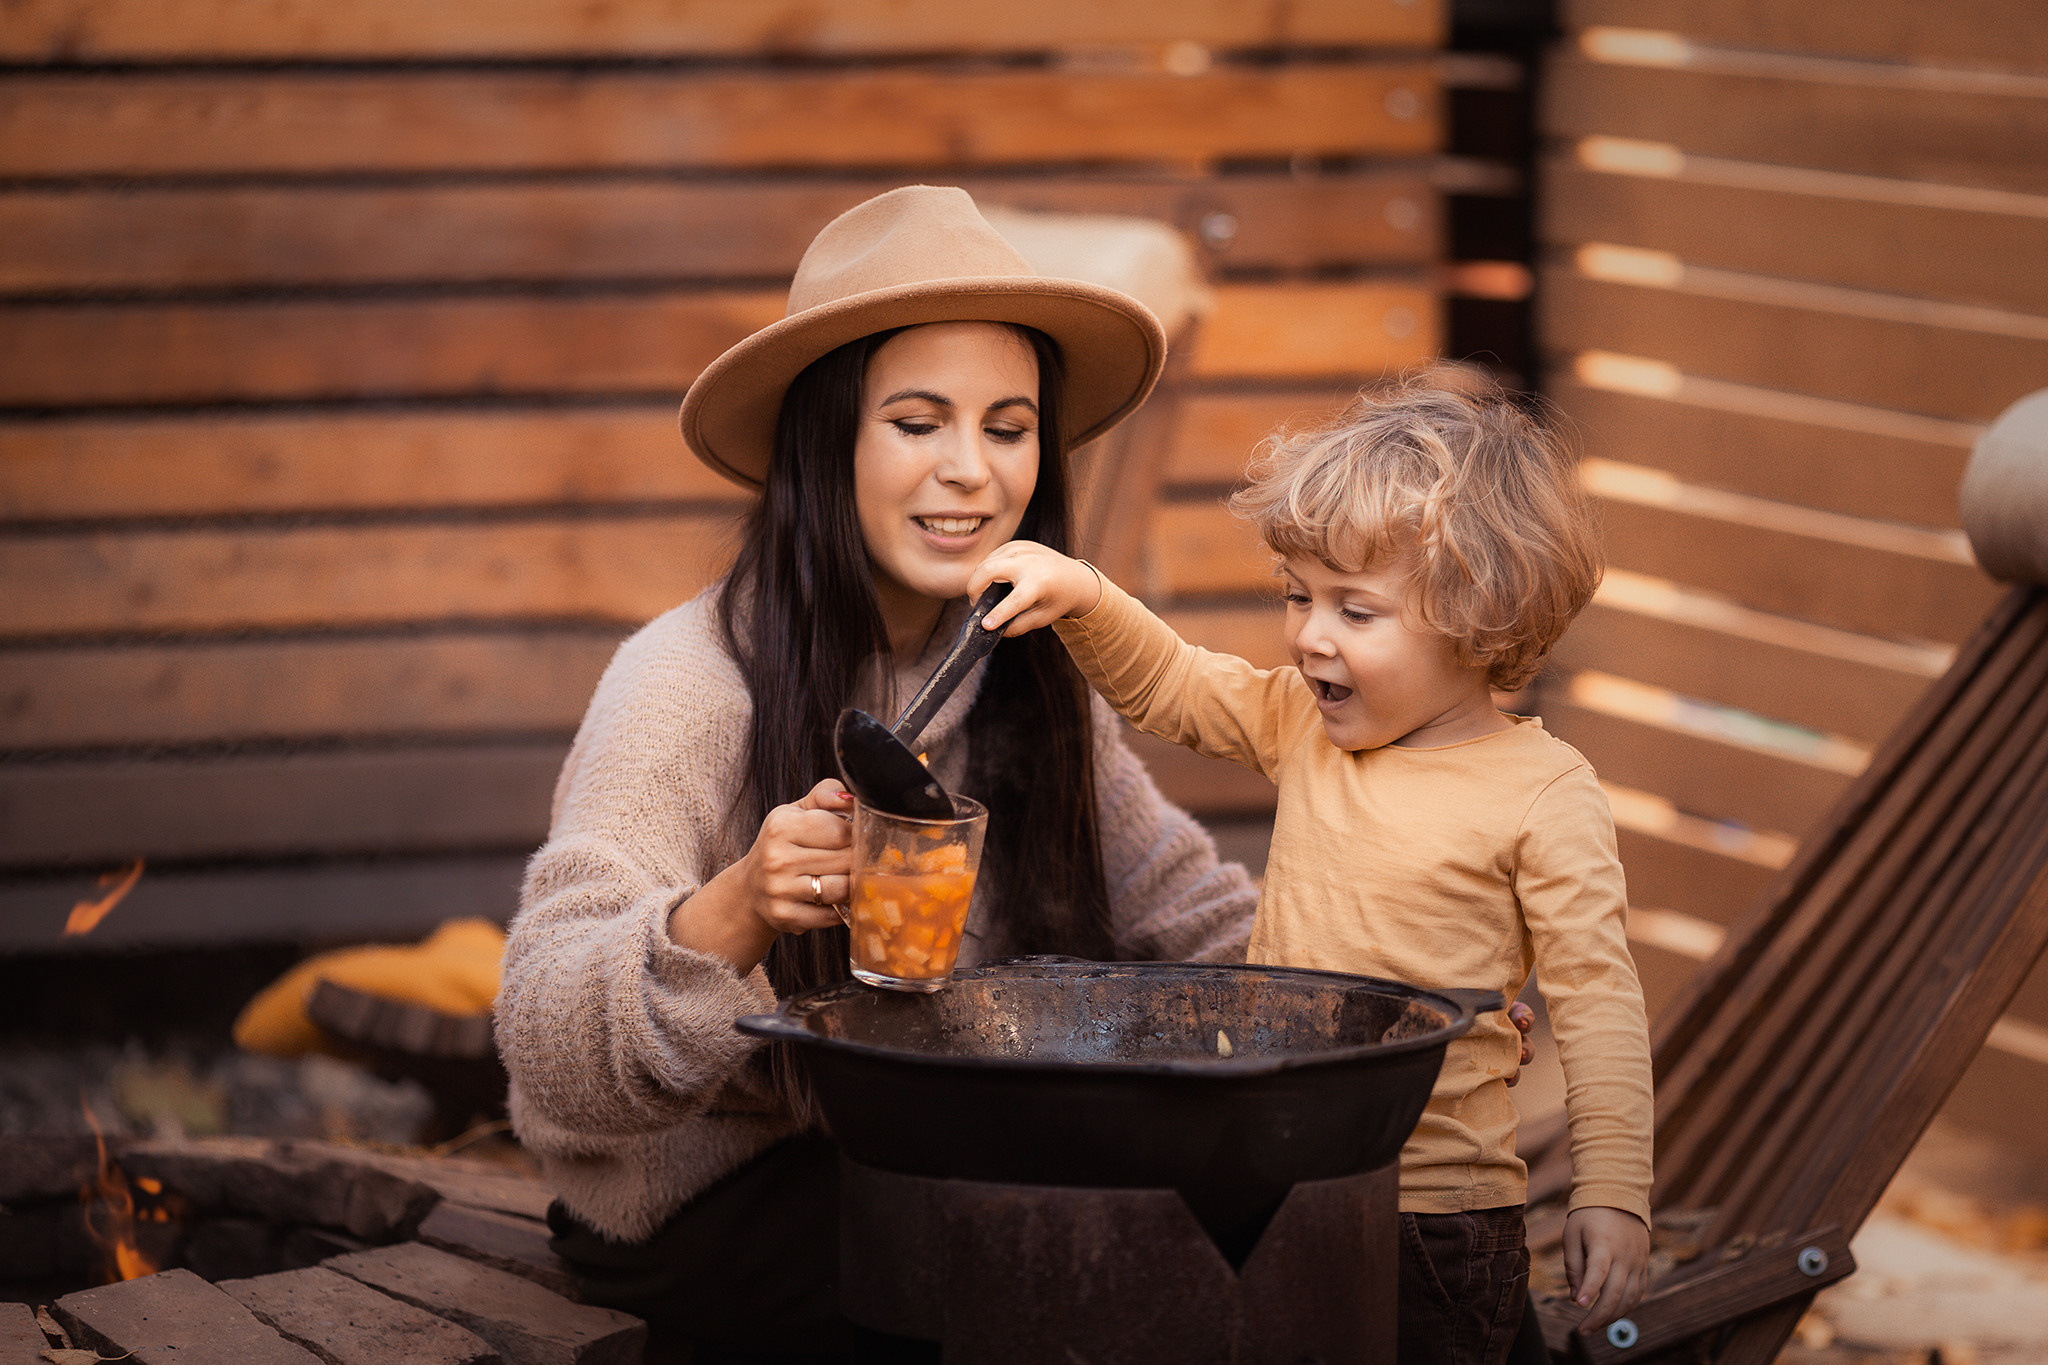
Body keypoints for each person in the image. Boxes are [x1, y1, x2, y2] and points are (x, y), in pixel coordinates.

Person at [492, 185, 1268, 1362]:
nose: (970, 471)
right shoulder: (690, 683)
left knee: (1265, 1221)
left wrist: (1399, 980)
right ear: (827, 440)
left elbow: (1191, 914)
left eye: (1006, 429)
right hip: (716, 1197)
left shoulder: (1027, 673)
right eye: (916, 423)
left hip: (941, 1151)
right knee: (1066, 1268)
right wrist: (735, 909)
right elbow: (547, 1040)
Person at [971, 369, 1654, 1365]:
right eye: (1297, 597)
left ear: (1477, 618)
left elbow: (1597, 1001)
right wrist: (1083, 595)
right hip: (1277, 1180)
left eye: (1354, 611)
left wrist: (1609, 1191)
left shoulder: (1541, 793)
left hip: (1432, 1215)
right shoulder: (1302, 727)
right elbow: (1169, 683)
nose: (1307, 635)